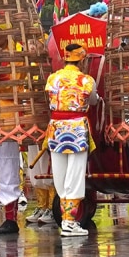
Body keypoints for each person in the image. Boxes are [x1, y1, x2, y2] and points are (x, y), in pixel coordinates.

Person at [46, 41, 98, 239]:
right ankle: (69, 222)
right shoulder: (86, 80)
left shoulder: (53, 78)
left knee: (60, 175)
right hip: (76, 130)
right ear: (82, 60)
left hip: (56, 129)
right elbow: (92, 100)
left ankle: (68, 220)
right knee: (75, 177)